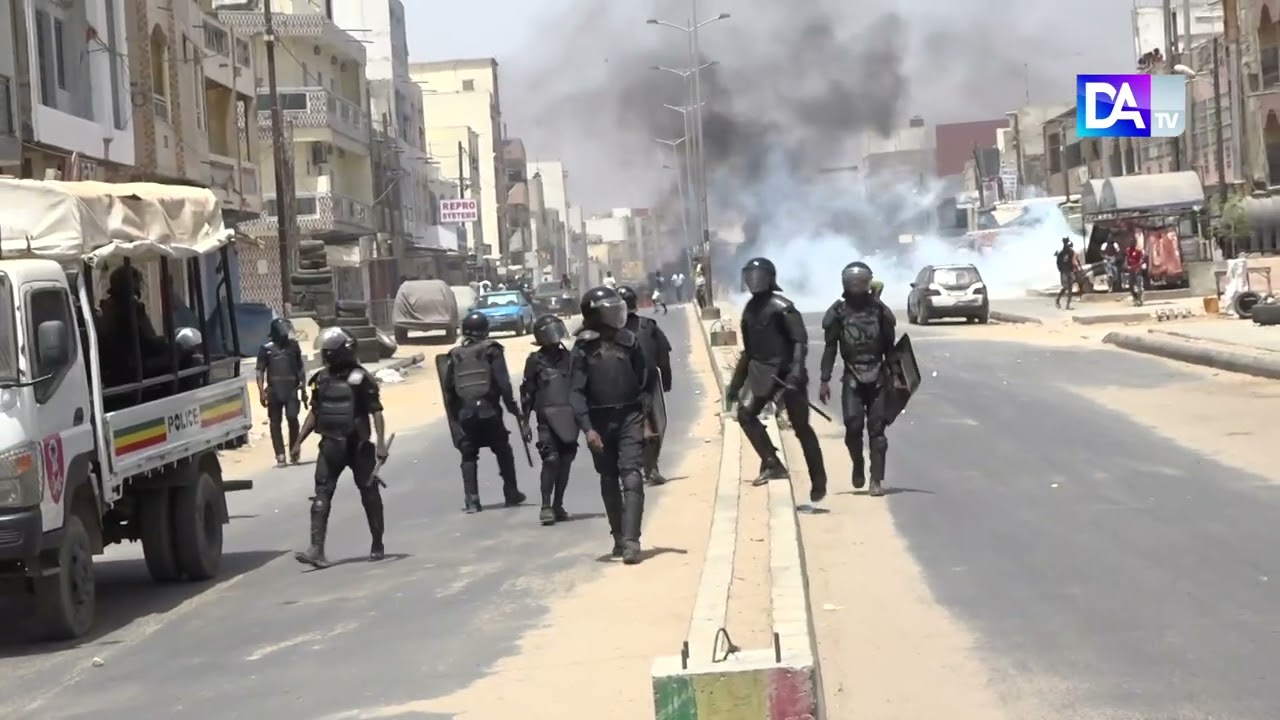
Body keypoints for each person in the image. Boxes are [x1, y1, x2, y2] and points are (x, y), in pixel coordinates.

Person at [725, 257, 828, 502]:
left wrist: (795, 373)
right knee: (746, 414)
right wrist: (736, 384)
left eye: (758, 276)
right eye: (750, 276)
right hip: (762, 372)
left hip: (788, 374)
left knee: (801, 427)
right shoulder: (749, 310)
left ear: (770, 278)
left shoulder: (783, 307)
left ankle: (819, 479)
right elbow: (748, 352)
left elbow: (799, 343)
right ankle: (772, 461)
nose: (753, 281)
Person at [291, 327, 389, 568]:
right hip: (330, 447)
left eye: (329, 352)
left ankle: (377, 543)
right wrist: (297, 442)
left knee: (369, 494)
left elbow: (375, 411)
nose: (326, 356)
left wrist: (381, 443)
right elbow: (314, 413)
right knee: (321, 495)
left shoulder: (360, 379)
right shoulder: (321, 379)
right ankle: (316, 550)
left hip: (358, 446)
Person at [571, 286, 650, 564]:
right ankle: (617, 535)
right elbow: (576, 392)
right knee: (608, 478)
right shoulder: (583, 347)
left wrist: (648, 420)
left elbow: (645, 382)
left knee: (632, 476)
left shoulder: (630, 341)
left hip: (630, 415)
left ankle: (632, 541)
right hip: (598, 420)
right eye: (610, 311)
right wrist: (587, 429)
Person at [818, 262, 897, 496]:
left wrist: (896, 376)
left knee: (877, 432)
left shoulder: (880, 311)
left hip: (878, 376)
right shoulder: (838, 313)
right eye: (852, 282)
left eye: (860, 281)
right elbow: (830, 347)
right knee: (853, 427)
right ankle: (858, 463)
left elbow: (890, 346)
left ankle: (876, 480)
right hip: (852, 375)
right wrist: (824, 379)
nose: (856, 285)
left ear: (868, 283)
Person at [444, 311, 528, 513]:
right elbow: (504, 384)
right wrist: (513, 409)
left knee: (468, 455)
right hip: (489, 412)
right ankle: (511, 491)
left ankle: (472, 499)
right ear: (485, 330)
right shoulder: (492, 350)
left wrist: (456, 419)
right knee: (502, 449)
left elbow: (449, 389)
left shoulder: (455, 355)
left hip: (466, 414)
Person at [520, 315, 579, 525]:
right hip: (545, 418)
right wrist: (525, 422)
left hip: (570, 417)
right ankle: (546, 505)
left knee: (566, 461)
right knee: (551, 459)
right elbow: (527, 393)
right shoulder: (535, 361)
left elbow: (581, 388)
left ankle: (558, 504)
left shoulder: (571, 358)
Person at [617, 285, 674, 485]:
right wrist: (666, 379)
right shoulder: (646, 326)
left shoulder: (645, 327)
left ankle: (646, 468)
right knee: (651, 425)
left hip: (636, 386)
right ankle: (646, 468)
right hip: (635, 386)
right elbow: (663, 356)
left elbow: (661, 354)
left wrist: (665, 379)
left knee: (649, 427)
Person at [256, 317, 307, 467]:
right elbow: (260, 371)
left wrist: (303, 387)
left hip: (291, 388)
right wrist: (261, 391)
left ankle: (294, 451)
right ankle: (280, 455)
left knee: (292, 418)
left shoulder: (294, 346)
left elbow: (300, 367)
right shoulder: (266, 349)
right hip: (274, 390)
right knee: (275, 423)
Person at [1054, 238, 1078, 310]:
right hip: (1065, 272)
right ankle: (1058, 300)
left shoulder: (1069, 252)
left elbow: (1072, 262)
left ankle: (1066, 304)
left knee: (1069, 288)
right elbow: (1059, 263)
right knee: (1066, 287)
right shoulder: (1063, 253)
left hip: (1068, 271)